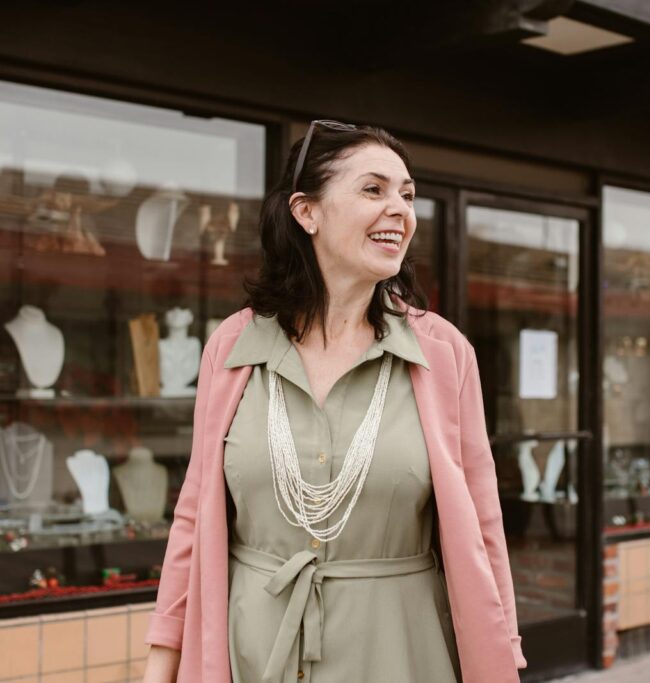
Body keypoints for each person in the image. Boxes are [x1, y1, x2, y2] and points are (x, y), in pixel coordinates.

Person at [143, 121, 526, 683]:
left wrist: (502, 658)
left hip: (399, 652)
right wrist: (161, 665)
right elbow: (194, 515)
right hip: (251, 651)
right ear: (307, 212)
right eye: (373, 190)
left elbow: (483, 529)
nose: (399, 208)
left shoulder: (444, 354)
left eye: (407, 194)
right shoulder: (233, 345)